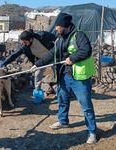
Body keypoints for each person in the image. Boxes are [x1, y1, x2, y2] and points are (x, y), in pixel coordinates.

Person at [33, 13, 97, 144]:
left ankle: (92, 132)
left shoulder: (79, 35)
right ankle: (63, 121)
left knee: (86, 105)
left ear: (65, 26)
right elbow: (52, 54)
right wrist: (37, 65)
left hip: (79, 77)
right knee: (62, 99)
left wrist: (72, 59)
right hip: (64, 75)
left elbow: (86, 50)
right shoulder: (60, 38)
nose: (56, 28)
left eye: (58, 26)